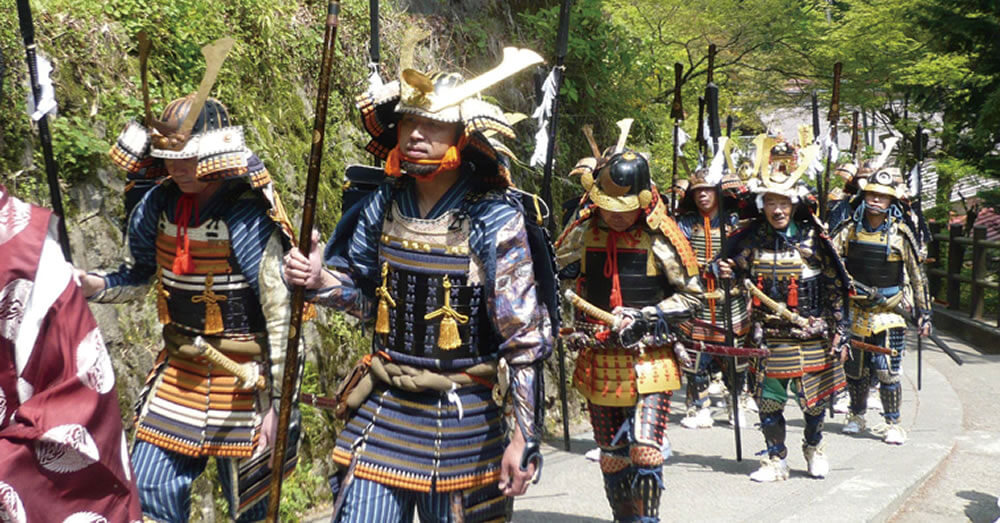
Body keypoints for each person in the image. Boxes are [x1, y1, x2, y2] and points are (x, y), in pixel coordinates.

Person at [284, 51, 553, 522]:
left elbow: (523, 339)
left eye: (433, 124)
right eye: (408, 121)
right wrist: (322, 280)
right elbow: (367, 300)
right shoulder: (382, 204)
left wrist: (523, 435)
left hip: (463, 415)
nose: (415, 134)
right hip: (385, 405)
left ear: (463, 137)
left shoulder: (494, 218)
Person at [78, 90, 298, 521]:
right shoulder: (156, 205)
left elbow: (281, 314)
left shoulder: (247, 217)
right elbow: (138, 275)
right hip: (181, 374)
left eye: (189, 157)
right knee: (148, 488)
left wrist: (278, 403)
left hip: (247, 383)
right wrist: (91, 284)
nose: (177, 167)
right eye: (168, 157)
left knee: (253, 510)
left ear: (216, 154)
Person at [556, 145, 702, 521]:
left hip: (650, 357)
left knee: (645, 450)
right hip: (598, 353)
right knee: (612, 457)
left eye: (623, 208)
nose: (615, 216)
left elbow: (692, 297)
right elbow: (557, 275)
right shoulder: (582, 231)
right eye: (607, 205)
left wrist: (649, 315)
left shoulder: (662, 237)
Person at [0, 185, 142, 521]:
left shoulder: (20, 251)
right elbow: (141, 272)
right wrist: (101, 283)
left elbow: (75, 408)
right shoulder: (158, 207)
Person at [719, 141, 850, 482]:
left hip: (810, 333)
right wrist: (725, 273)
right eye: (771, 203)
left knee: (813, 403)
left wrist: (841, 328)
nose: (778, 210)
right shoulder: (748, 241)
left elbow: (836, 285)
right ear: (762, 206)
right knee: (769, 402)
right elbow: (736, 281)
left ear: (794, 205)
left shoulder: (813, 240)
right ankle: (776, 459)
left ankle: (814, 446)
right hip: (769, 337)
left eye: (783, 203)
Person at [831, 169, 931, 444]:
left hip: (889, 311)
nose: (876, 200)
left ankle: (893, 422)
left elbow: (916, 274)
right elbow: (833, 263)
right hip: (856, 308)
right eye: (872, 194)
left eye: (882, 197)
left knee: (886, 368)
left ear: (891, 202)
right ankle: (856, 414)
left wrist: (924, 313)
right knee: (856, 370)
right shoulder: (848, 229)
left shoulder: (901, 233)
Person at [675, 169, 751, 429]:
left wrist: (735, 265)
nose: (703, 196)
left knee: (734, 359)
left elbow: (748, 254)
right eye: (698, 192)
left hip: (730, 299)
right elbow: (676, 256)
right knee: (696, 358)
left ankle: (736, 403)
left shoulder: (734, 221)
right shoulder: (686, 222)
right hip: (697, 298)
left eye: (707, 190)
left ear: (718, 193)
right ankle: (700, 407)